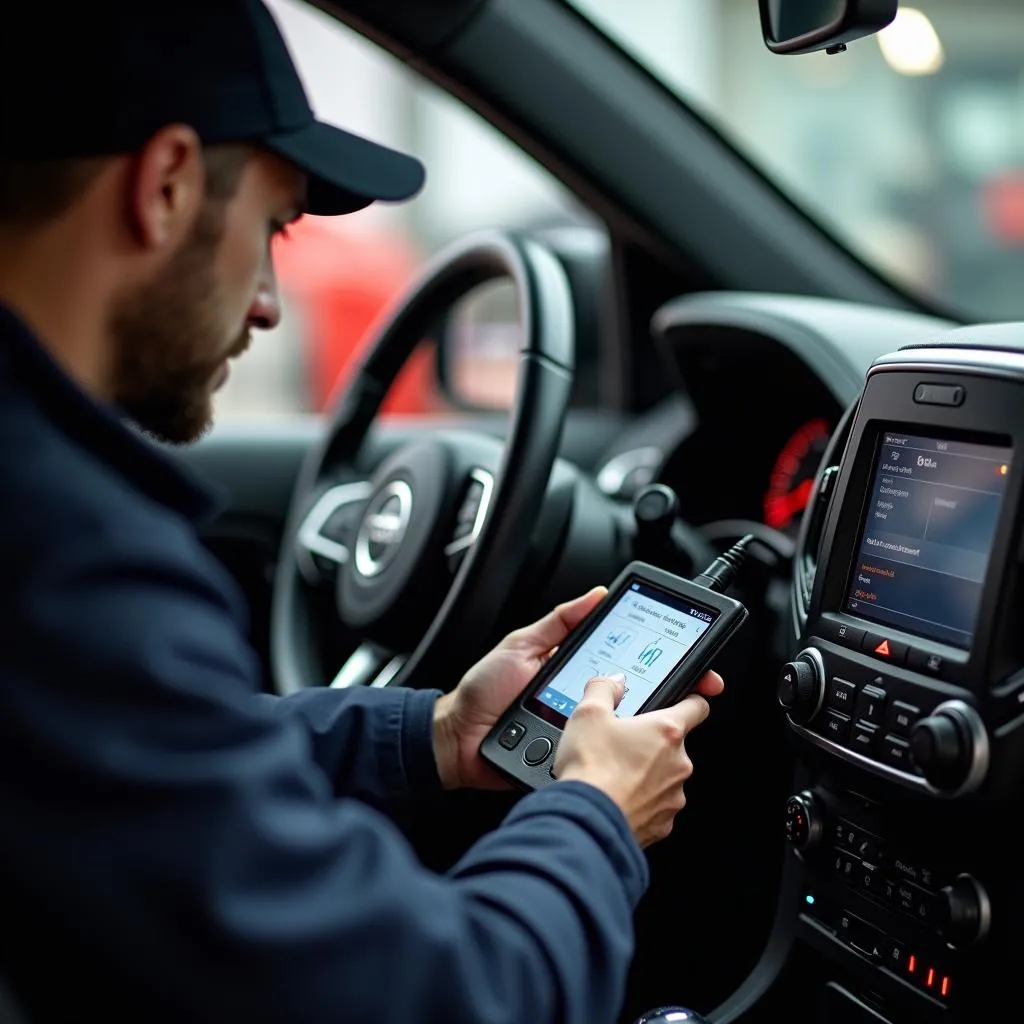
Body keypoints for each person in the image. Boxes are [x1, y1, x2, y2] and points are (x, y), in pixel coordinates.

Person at [0, 3, 725, 1022]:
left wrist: (431, 732)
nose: (264, 302)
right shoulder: (64, 561)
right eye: (269, 231)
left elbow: (154, 754)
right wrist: (596, 811)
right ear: (163, 186)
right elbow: (447, 999)